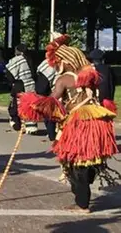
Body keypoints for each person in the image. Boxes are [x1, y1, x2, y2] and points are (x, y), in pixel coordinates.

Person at [19, 35, 118, 213]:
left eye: (56, 62)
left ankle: (82, 203)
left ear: (64, 61)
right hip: (97, 121)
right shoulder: (91, 75)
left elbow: (51, 102)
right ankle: (85, 187)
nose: (55, 66)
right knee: (87, 160)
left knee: (74, 162)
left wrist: (30, 103)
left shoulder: (63, 79)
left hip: (78, 123)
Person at [5, 44, 38, 134]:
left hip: (20, 85)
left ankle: (17, 124)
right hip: (31, 86)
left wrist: (11, 82)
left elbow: (9, 73)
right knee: (30, 106)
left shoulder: (17, 60)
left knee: (16, 105)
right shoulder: (30, 59)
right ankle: (31, 127)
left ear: (19, 51)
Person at [36, 57, 59, 141]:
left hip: (55, 93)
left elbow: (42, 87)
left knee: (49, 114)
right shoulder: (74, 62)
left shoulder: (49, 64)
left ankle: (52, 134)